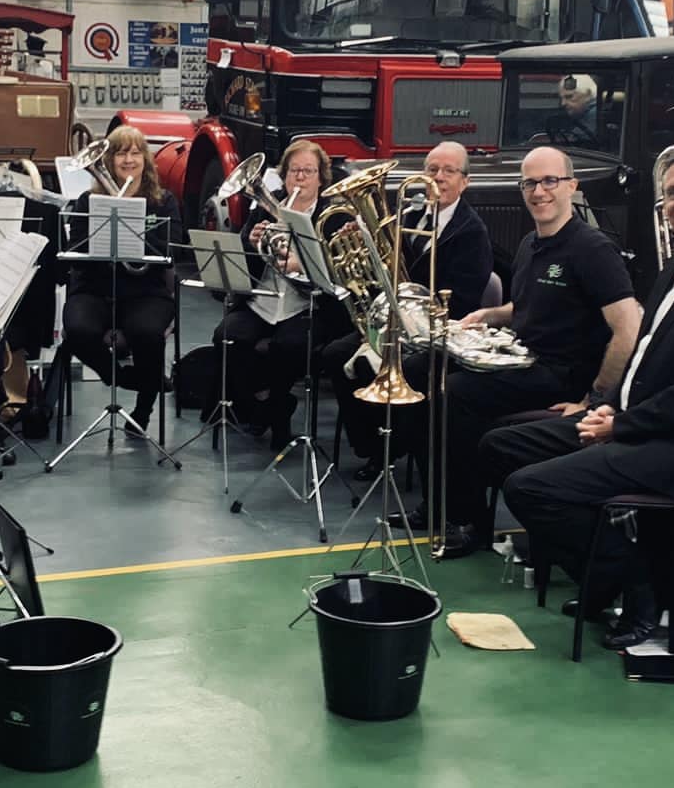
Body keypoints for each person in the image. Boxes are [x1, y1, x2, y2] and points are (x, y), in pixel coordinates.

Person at [479, 143, 674, 650]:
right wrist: (608, 402)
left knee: (531, 488)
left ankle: (633, 582)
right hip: (634, 419)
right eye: (673, 193)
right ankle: (608, 573)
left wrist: (622, 426)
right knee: (499, 446)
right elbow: (646, 352)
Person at [432, 145, 641, 557]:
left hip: (560, 375)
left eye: (550, 181)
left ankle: (470, 520)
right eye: (530, 182)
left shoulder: (592, 249)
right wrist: (487, 315)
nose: (539, 191)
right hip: (525, 361)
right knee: (432, 366)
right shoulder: (531, 243)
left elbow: (628, 327)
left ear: (571, 186)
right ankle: (439, 504)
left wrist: (594, 399)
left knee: (457, 394)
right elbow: (525, 307)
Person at [324, 141, 494, 481]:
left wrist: (416, 317)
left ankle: (400, 443)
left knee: (411, 369)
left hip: (438, 331)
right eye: (432, 170)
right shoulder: (411, 213)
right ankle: (373, 447)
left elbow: (463, 299)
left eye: (449, 171)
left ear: (465, 182)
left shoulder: (472, 231)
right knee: (334, 354)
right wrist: (363, 242)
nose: (439, 178)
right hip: (396, 323)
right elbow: (382, 272)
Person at [212, 140, 342, 449]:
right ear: (283, 176)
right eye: (294, 171)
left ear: (321, 177)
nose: (300, 178)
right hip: (262, 299)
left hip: (307, 304)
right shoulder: (265, 209)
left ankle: (277, 417)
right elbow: (243, 265)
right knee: (226, 338)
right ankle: (267, 402)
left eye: (308, 171)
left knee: (289, 346)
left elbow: (337, 272)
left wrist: (304, 263)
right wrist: (253, 246)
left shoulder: (332, 215)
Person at [59, 126, 178, 433]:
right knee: (76, 330)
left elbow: (171, 248)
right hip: (95, 288)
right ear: (109, 160)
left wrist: (135, 232)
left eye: (136, 152)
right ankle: (118, 376)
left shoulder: (163, 202)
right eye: (121, 153)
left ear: (145, 159)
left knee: (148, 333)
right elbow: (76, 247)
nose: (128, 159)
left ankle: (143, 409)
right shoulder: (87, 201)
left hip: (145, 290)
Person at [546, 75, 600, 145]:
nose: (563, 103)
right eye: (561, 98)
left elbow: (577, 143)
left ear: (588, 94)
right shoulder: (581, 116)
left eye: (569, 97)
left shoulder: (594, 115)